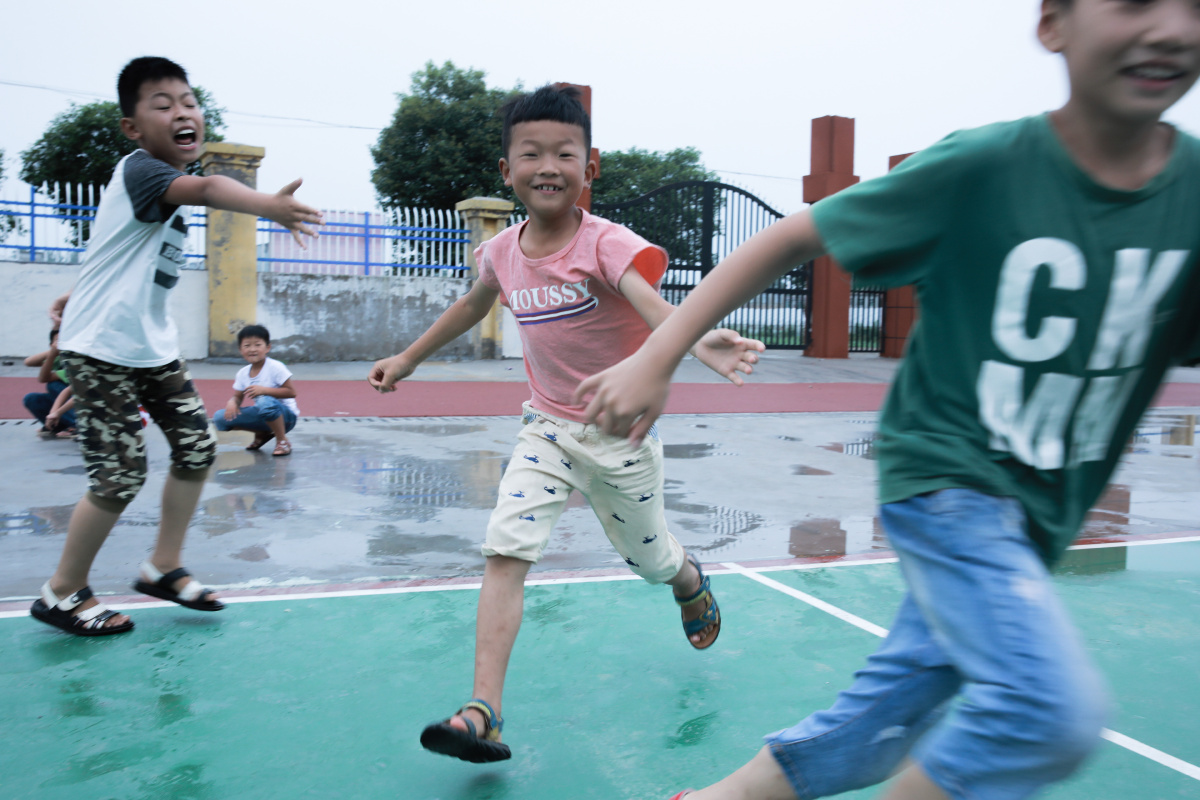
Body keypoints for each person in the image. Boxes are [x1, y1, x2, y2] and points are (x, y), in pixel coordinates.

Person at [578, 2, 1200, 798]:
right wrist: (659, 353)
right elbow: (794, 234)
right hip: (953, 484)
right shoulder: (988, 168)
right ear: (1054, 24)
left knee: (880, 728)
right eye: (1137, 2)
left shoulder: (1189, 201)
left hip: (1038, 521)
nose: (1172, 28)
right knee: (1048, 715)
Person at [369, 85, 765, 763]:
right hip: (546, 430)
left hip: (621, 434)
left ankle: (687, 578)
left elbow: (652, 304)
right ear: (506, 171)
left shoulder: (605, 245)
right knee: (506, 550)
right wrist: (407, 357)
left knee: (651, 560)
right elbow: (472, 308)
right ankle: (482, 710)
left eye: (564, 153)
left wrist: (700, 343)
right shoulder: (501, 253)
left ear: (592, 166)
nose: (547, 165)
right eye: (531, 153)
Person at [32, 56, 322, 637]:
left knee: (196, 449)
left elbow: (115, 256)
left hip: (151, 351)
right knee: (119, 476)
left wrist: (74, 292)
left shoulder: (160, 196)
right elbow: (212, 187)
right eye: (162, 105)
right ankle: (61, 593)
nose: (182, 113)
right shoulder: (143, 172)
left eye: (188, 102)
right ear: (133, 128)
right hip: (102, 353)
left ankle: (163, 566)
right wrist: (268, 205)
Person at [213, 324, 299, 457]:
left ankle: (282, 440)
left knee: (264, 401)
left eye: (257, 345)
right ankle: (263, 433)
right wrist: (233, 402)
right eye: (247, 346)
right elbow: (237, 397)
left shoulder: (275, 367)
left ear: (267, 347)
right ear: (240, 349)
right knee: (220, 417)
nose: (252, 349)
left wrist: (264, 390)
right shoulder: (242, 373)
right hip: (264, 413)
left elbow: (291, 392)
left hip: (286, 418)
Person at [23, 328, 77, 436]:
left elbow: (75, 393)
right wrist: (52, 353)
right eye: (57, 342)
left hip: (82, 403)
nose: (60, 344)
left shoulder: (77, 361)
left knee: (53, 385)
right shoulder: (59, 357)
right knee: (32, 399)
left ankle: (76, 426)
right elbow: (29, 362)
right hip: (68, 400)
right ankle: (56, 426)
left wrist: (56, 412)